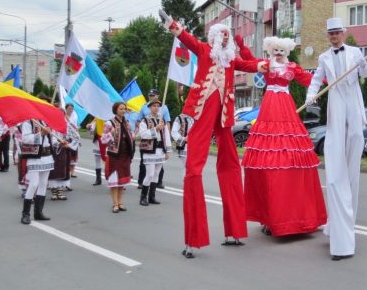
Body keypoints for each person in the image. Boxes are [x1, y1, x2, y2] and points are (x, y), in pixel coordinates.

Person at [163, 16, 266, 258]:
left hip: (224, 116)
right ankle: (193, 238)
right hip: (202, 111)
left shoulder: (230, 60)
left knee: (230, 165)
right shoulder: (204, 50)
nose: (226, 39)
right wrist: (173, 25)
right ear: (214, 38)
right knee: (194, 168)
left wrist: (270, 64)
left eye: (228, 37)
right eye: (224, 36)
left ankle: (234, 231)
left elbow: (251, 65)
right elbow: (186, 39)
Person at [239, 36, 327, 237]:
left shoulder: (293, 67)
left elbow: (308, 78)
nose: (278, 54)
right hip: (271, 106)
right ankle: (270, 215)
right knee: (268, 156)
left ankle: (300, 216)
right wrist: (242, 47)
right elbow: (250, 62)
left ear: (286, 52)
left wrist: (327, 78)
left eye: (281, 51)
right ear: (271, 50)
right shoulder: (266, 64)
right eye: (275, 50)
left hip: (286, 107)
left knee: (292, 153)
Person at [304, 17, 367, 261]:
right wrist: (311, 96)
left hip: (353, 100)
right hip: (336, 101)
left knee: (354, 138)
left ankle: (344, 225)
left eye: (337, 33)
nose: (334, 36)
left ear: (344, 33)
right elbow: (315, 79)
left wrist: (362, 63)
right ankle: (338, 226)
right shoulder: (323, 57)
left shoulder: (355, 53)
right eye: (330, 33)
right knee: (336, 159)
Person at [18, 118, 55, 224]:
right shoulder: (28, 122)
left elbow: (51, 139)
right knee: (34, 184)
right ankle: (25, 214)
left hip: (47, 156)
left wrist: (60, 143)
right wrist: (41, 133)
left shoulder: (46, 121)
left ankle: (38, 212)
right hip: (35, 156)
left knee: (43, 184)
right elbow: (25, 139)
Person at [101, 102, 135, 213]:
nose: (123, 111)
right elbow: (103, 140)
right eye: (121, 109)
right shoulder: (109, 123)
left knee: (121, 182)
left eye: (124, 109)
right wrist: (111, 134)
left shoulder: (126, 123)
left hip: (125, 155)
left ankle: (120, 202)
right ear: (115, 110)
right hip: (114, 155)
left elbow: (132, 138)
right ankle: (115, 204)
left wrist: (131, 131)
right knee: (114, 181)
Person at [137, 101, 170, 206]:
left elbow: (166, 136)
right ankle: (143, 197)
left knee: (156, 174)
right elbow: (142, 134)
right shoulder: (145, 120)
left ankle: (152, 196)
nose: (156, 108)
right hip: (149, 150)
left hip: (160, 149)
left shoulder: (162, 120)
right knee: (150, 174)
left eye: (158, 106)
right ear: (149, 108)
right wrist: (155, 129)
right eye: (154, 106)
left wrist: (168, 150)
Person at [49, 114, 80, 201]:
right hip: (54, 152)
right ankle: (53, 192)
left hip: (64, 152)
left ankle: (60, 191)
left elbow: (77, 137)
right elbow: (51, 140)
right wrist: (59, 143)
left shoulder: (68, 126)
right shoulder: (52, 126)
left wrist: (68, 145)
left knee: (64, 170)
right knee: (54, 170)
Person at [86, 120, 106, 186]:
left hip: (107, 141)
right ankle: (98, 179)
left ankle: (112, 180)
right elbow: (91, 130)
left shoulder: (111, 117)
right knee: (97, 159)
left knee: (109, 161)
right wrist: (89, 127)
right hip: (98, 140)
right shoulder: (97, 117)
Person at [65, 103, 79, 180]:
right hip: (66, 137)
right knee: (67, 155)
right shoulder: (63, 116)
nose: (70, 110)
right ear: (66, 108)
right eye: (69, 108)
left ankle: (72, 171)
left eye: (72, 108)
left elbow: (75, 126)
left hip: (73, 137)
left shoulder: (75, 116)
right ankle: (66, 170)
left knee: (74, 154)